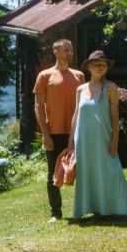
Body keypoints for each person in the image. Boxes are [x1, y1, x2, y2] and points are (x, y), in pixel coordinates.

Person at [69, 50, 127, 224]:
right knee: (90, 173)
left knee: (115, 172)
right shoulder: (80, 89)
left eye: (103, 65)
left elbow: (114, 115)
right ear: (89, 67)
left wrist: (115, 139)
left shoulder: (111, 87)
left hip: (103, 137)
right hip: (83, 139)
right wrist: (70, 143)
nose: (100, 67)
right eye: (97, 64)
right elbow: (76, 115)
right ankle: (97, 210)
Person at [33, 39, 85, 222]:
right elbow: (38, 107)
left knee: (83, 171)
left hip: (76, 131)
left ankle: (86, 208)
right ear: (55, 52)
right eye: (65, 50)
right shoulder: (44, 76)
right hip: (53, 132)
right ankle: (56, 212)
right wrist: (45, 134)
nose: (69, 53)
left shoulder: (79, 76)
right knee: (53, 174)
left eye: (71, 50)